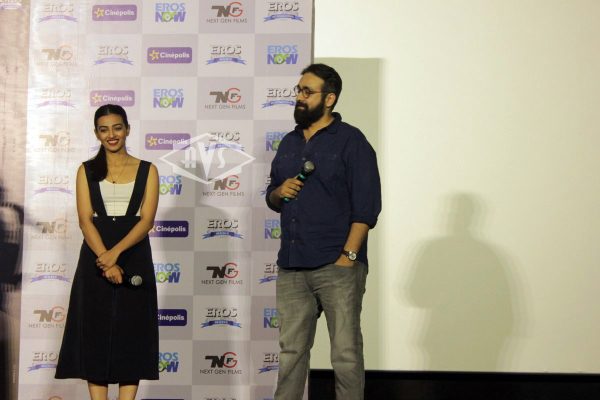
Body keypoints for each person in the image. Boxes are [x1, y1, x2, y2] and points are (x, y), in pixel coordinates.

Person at [266, 63, 382, 400]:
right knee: (291, 354)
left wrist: (348, 257)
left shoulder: (351, 141)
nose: (299, 97)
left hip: (337, 265)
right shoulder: (289, 143)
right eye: (298, 90)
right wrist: (279, 192)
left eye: (307, 92)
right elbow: (273, 196)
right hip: (292, 265)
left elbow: (366, 207)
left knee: (345, 354)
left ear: (329, 99)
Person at [55, 104, 159, 400]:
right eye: (104, 130)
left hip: (134, 256)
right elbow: (85, 220)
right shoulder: (86, 170)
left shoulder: (148, 170)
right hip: (95, 257)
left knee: (132, 335)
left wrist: (116, 254)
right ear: (96, 134)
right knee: (95, 334)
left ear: (127, 129)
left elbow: (146, 221)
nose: (111, 135)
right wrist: (105, 260)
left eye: (117, 128)